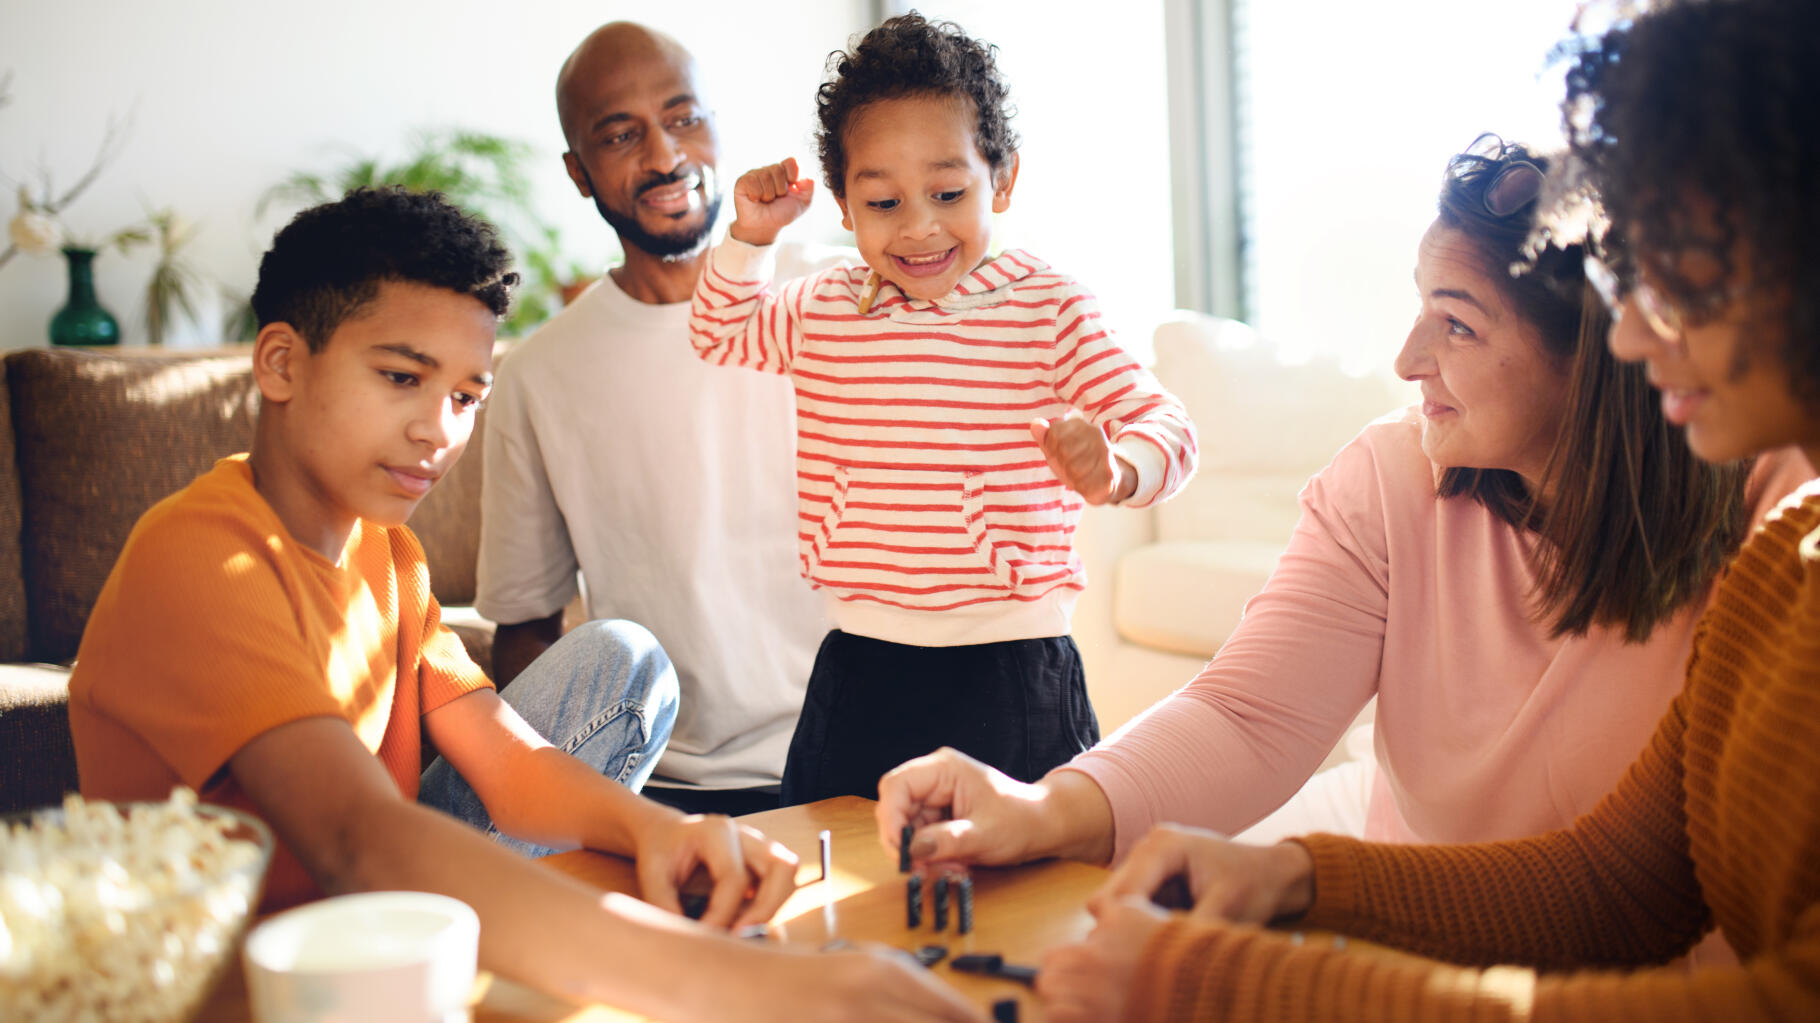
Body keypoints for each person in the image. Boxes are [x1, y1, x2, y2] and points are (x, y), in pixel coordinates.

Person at [1031, 0, 1820, 1018]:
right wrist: (1298, 876)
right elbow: (1614, 886)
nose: (1634, 332)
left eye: (1684, 266)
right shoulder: (1781, 569)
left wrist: (1226, 981)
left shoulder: (1759, 531)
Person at [67, 187, 983, 1022]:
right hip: (242, 978)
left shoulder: (388, 551)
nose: (441, 431)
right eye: (401, 378)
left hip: (389, 926)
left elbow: (502, 755)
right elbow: (357, 838)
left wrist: (661, 829)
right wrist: (752, 988)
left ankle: (559, 939)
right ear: (280, 363)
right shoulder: (198, 558)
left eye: (468, 395)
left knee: (618, 659)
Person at [876, 134, 1809, 879]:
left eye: (1457, 323)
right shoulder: (1393, 476)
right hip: (1422, 924)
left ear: (1594, 361)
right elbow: (1248, 715)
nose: (1408, 359)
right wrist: (1041, 807)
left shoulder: (1768, 505)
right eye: (1418, 309)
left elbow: (1654, 884)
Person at [688, 13, 1198, 805]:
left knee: (1034, 889)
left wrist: (1117, 467)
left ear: (1003, 178)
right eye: (884, 201)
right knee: (842, 887)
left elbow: (1168, 425)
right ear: (844, 205)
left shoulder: (1048, 306)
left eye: (949, 192)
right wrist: (749, 239)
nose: (920, 225)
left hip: (1012, 665)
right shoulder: (824, 305)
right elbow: (720, 332)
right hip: (860, 659)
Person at [477, 21, 835, 817]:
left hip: (868, 754)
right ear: (578, 172)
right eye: (620, 134)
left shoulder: (840, 299)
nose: (665, 156)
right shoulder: (538, 376)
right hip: (661, 792)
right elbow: (524, 632)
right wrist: (574, 814)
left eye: (684, 118)